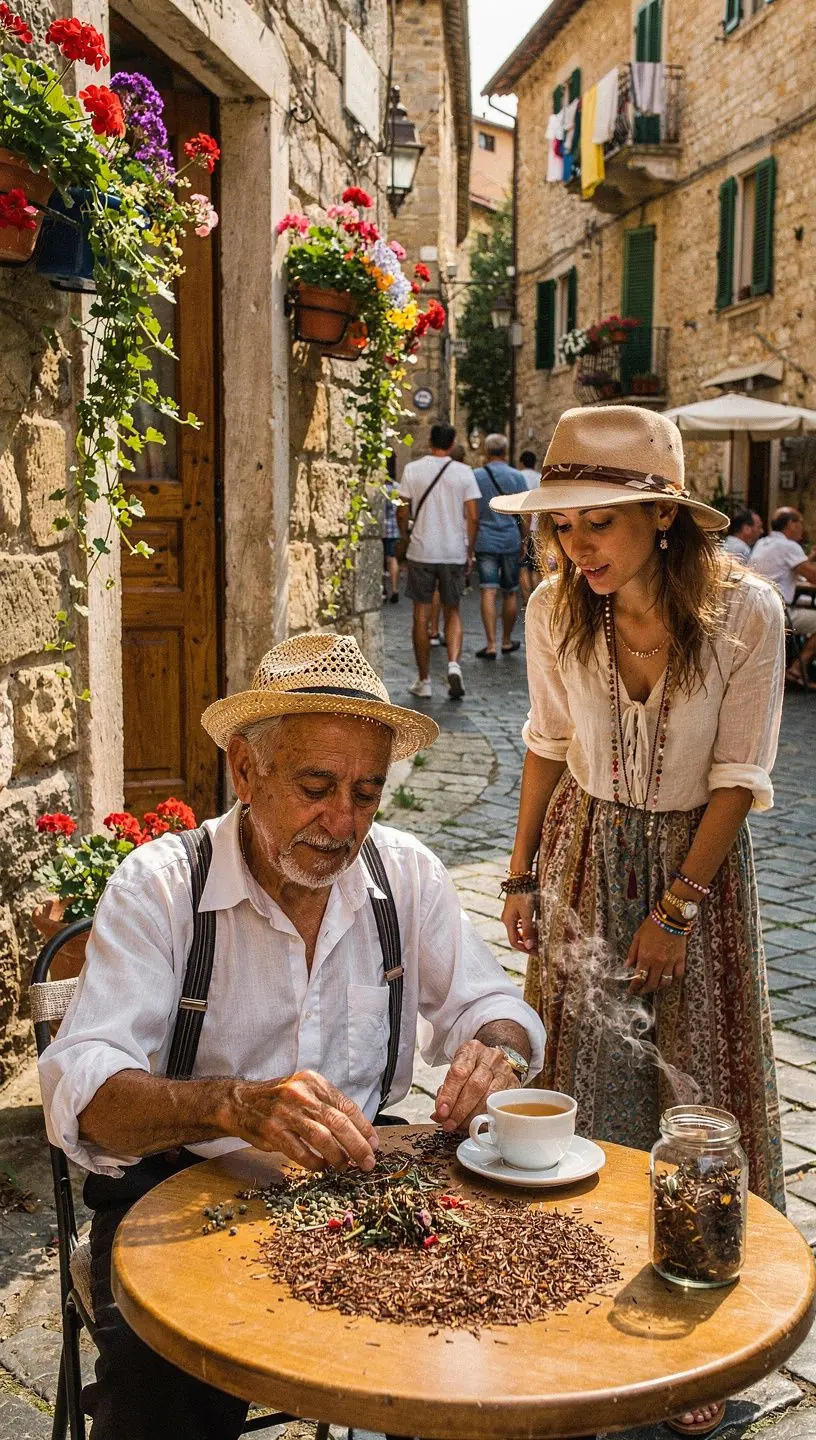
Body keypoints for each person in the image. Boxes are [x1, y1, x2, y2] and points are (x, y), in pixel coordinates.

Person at [39, 631, 545, 1440]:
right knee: (160, 1398)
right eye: (316, 786)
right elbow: (88, 1099)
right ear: (246, 768)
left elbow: (489, 1004)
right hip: (181, 1193)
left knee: (507, 1341)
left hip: (366, 1184)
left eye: (367, 793)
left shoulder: (403, 874)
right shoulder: (163, 888)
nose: (342, 822)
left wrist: (499, 1052)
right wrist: (233, 1106)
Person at [492, 406, 785, 1440]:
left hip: (694, 867)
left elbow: (741, 779)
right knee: (581, 1084)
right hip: (582, 851)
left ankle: (699, 1344)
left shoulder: (750, 613)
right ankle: (576, 1311)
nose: (578, 548)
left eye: (599, 523)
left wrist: (678, 909)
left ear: (662, 515)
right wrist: (521, 875)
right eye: (564, 527)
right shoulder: (551, 608)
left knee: (701, 1093)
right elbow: (543, 743)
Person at [398, 422, 480, 700]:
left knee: (420, 615)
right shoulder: (464, 473)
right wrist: (469, 551)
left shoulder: (413, 470)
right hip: (453, 551)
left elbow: (402, 508)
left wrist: (405, 537)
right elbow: (473, 516)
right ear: (453, 443)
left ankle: (424, 680)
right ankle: (454, 664)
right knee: (453, 610)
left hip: (421, 551)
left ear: (430, 440)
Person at [472, 434, 527, 658]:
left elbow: (472, 511)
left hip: (485, 538)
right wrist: (525, 539)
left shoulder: (476, 476)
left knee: (487, 589)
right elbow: (525, 512)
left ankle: (491, 643)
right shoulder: (517, 477)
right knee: (510, 592)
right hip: (510, 538)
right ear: (505, 452)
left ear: (486, 452)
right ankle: (506, 640)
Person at [751, 507, 816, 688]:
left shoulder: (763, 543)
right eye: (800, 523)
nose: (802, 528)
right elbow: (812, 576)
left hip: (756, 607)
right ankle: (796, 669)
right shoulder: (789, 546)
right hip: (779, 611)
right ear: (790, 525)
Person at [518, 448, 543, 601]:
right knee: (537, 567)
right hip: (539, 527)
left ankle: (527, 600)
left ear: (521, 463)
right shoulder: (541, 478)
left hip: (523, 525)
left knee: (523, 566)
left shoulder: (518, 476)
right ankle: (538, 599)